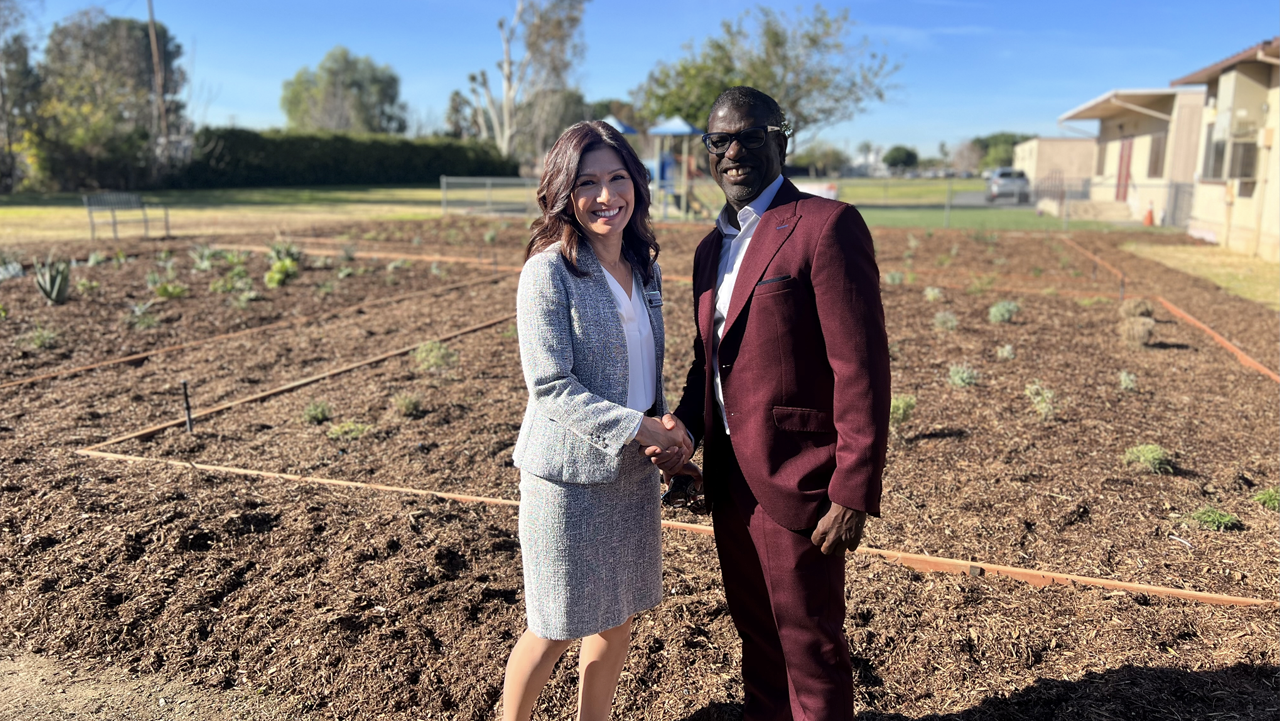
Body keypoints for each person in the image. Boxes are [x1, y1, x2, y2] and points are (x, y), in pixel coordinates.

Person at [662, 86, 891, 720]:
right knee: (757, 640)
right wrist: (681, 429)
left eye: (750, 137)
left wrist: (851, 489)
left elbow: (861, 368)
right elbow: (708, 360)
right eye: (719, 141)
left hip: (801, 480)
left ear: (781, 142)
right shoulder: (711, 249)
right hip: (730, 484)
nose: (734, 152)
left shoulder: (826, 226)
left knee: (809, 647)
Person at [502, 120, 694, 721]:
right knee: (556, 623)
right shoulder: (547, 273)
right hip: (568, 480)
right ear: (565, 192)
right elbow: (551, 386)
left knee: (618, 616)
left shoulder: (645, 266)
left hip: (631, 474)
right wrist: (641, 428)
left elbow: (645, 369)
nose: (605, 195)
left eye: (617, 178)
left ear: (636, 183)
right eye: (587, 182)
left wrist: (664, 427)